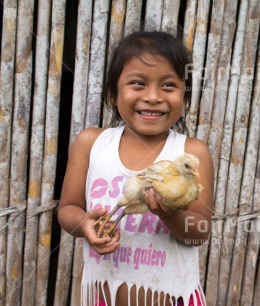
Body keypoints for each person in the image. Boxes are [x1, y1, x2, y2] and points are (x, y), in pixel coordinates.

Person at [58, 31, 214, 306]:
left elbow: (198, 232)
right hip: (103, 296)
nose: (153, 97)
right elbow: (68, 209)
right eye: (138, 83)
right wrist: (84, 224)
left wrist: (169, 213)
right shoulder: (91, 144)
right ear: (113, 92)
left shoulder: (191, 153)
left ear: (185, 97)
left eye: (168, 86)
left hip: (171, 298)